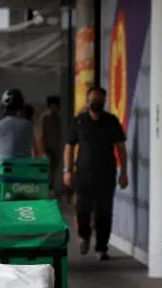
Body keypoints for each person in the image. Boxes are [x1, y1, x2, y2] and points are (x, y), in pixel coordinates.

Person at [63, 86, 128, 259]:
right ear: (87, 101)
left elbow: (121, 148)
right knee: (82, 210)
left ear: (104, 101)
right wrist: (67, 170)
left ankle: (102, 248)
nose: (96, 103)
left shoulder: (111, 121)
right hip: (83, 175)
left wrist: (124, 173)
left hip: (106, 175)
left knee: (104, 212)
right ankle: (84, 236)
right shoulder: (79, 122)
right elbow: (69, 147)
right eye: (93, 99)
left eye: (99, 100)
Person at [39, 96, 62, 196]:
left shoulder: (57, 118)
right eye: (56, 104)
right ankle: (45, 191)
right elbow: (41, 135)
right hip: (47, 148)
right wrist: (43, 150)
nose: (58, 107)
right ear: (51, 105)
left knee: (53, 171)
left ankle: (50, 189)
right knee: (47, 171)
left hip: (56, 148)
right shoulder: (45, 118)